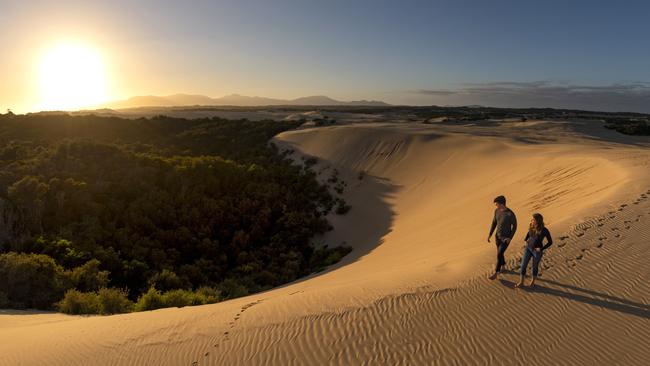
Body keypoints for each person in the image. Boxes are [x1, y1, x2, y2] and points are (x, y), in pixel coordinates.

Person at [515, 213, 553, 288]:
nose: (531, 220)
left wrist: (541, 249)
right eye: (532, 219)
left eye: (533, 219)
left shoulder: (544, 230)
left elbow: (550, 242)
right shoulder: (531, 227)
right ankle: (521, 282)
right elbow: (528, 235)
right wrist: (525, 241)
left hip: (537, 251)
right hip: (528, 249)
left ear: (537, 221)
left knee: (534, 267)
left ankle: (532, 282)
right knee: (523, 265)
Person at [487, 195, 517, 280]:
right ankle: (503, 266)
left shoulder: (510, 214)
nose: (496, 205)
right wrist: (490, 234)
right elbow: (494, 223)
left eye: (496, 204)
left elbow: (515, 226)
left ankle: (496, 272)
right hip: (498, 237)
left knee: (499, 254)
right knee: (500, 254)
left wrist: (510, 238)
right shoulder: (496, 211)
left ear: (501, 204)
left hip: (505, 239)